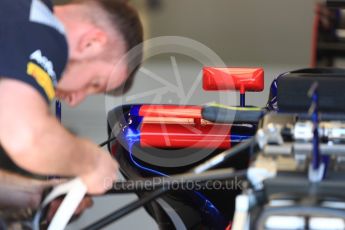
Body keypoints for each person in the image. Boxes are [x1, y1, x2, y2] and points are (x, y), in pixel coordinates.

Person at [0, 0, 143, 221]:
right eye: (94, 83)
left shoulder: (19, 18)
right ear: (91, 43)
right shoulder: (43, 31)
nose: (75, 100)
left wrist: (38, 196)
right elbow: (26, 136)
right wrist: (92, 161)